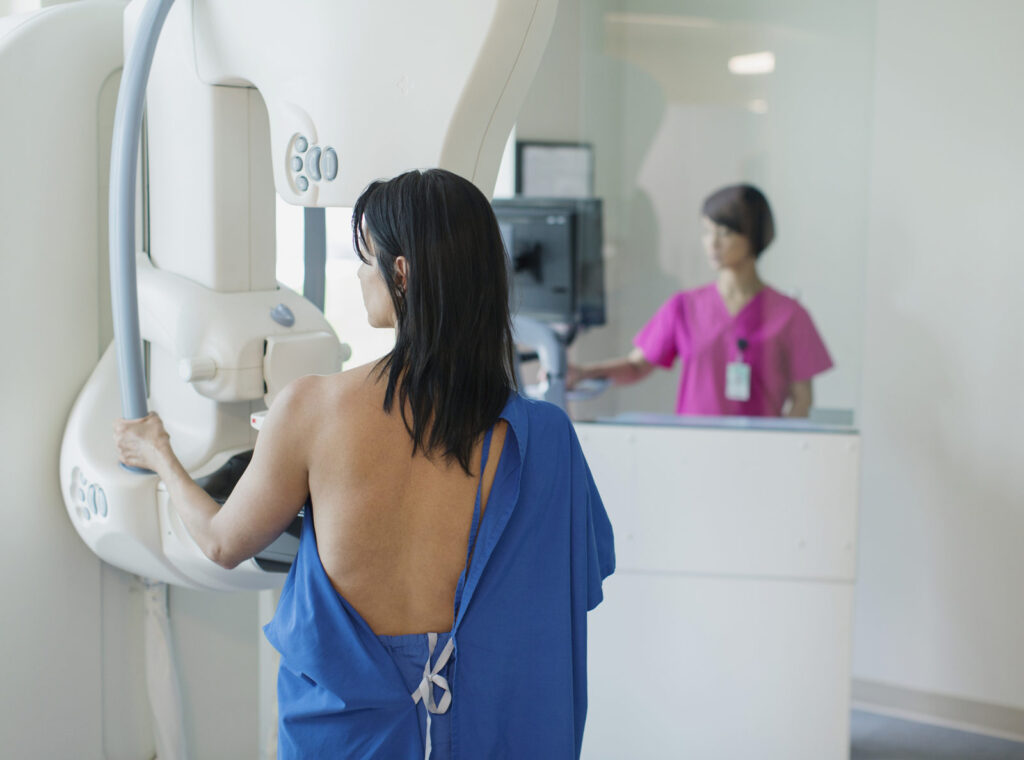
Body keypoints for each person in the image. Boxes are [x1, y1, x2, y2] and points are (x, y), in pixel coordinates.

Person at [113, 169, 615, 759]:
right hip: (490, 733)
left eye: (366, 258)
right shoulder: (545, 436)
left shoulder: (310, 409)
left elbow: (223, 544)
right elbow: (566, 591)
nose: (358, 274)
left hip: (350, 739)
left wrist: (159, 454)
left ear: (400, 274)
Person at [566, 183, 832, 417]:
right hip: (694, 451)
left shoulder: (790, 315)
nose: (712, 243)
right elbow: (636, 366)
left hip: (760, 456)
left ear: (754, 235)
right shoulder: (684, 306)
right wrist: (581, 373)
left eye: (725, 232)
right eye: (707, 231)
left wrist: (781, 452)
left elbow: (802, 401)